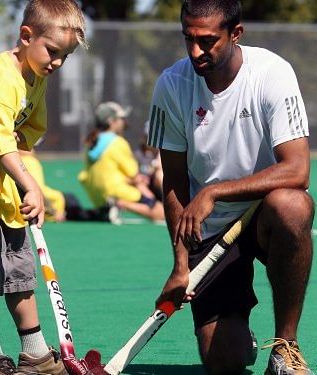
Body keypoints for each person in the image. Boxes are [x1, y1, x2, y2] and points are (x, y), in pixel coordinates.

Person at [147, 0, 315, 374]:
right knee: (223, 361)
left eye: (207, 41)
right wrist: (179, 263)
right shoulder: (172, 85)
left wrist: (213, 191)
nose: (195, 52)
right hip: (210, 229)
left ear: (235, 34)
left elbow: (298, 169)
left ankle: (285, 347)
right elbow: (173, 181)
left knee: (294, 206)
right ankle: (245, 340)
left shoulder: (272, 73)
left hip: (263, 214)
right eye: (188, 39)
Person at [0, 1, 87, 374]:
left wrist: (19, 170)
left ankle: (35, 354)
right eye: (52, 52)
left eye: (64, 57)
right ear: (26, 36)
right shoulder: (0, 77)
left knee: (20, 272)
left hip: (2, 189)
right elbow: (0, 144)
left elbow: (27, 132)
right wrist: (31, 185)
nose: (56, 62)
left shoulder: (37, 77)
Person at [78, 101, 165, 223]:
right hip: (115, 192)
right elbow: (133, 174)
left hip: (96, 195)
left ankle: (107, 209)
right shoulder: (117, 142)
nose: (124, 122)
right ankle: (120, 204)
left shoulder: (90, 142)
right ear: (111, 122)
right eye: (121, 118)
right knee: (161, 212)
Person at [20, 148, 118, 223]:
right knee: (81, 216)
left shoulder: (21, 162)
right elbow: (38, 191)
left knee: (81, 215)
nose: (33, 149)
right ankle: (106, 211)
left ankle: (106, 211)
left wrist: (53, 212)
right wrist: (54, 212)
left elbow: (37, 191)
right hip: (58, 203)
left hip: (59, 202)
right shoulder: (28, 161)